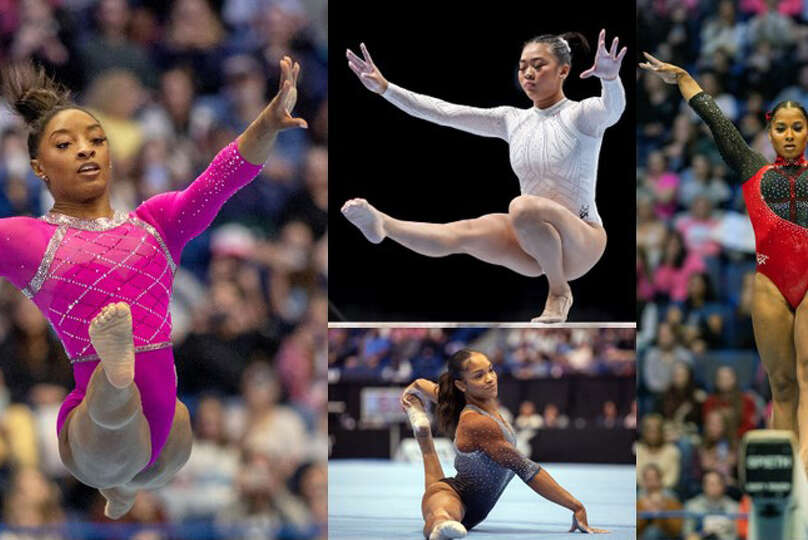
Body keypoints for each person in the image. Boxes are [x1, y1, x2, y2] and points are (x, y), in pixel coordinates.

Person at [0, 57, 306, 518]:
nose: (85, 150)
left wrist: (267, 122)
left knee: (162, 446)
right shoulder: (28, 241)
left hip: (164, 439)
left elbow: (221, 178)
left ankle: (123, 485)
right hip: (94, 429)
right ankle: (114, 376)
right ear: (39, 166)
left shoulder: (157, 223)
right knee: (117, 414)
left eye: (96, 140)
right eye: (65, 144)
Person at [342, 30, 627, 322]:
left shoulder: (582, 116)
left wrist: (610, 79)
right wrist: (386, 88)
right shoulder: (512, 120)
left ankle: (558, 291)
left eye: (538, 65)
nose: (528, 72)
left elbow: (612, 109)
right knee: (463, 233)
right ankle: (385, 225)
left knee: (521, 206)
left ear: (563, 70)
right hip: (533, 245)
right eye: (522, 66)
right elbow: (444, 112)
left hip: (582, 241)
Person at [640, 52, 808, 462]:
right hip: (769, 283)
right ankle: (785, 470)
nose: (788, 135)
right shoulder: (753, 170)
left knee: (807, 376)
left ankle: (805, 467)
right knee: (781, 384)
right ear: (770, 134)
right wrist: (684, 79)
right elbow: (718, 123)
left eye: (797, 128)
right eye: (781, 128)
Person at [400, 349, 607, 539]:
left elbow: (436, 391)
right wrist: (576, 506)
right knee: (442, 516)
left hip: (470, 509)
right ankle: (440, 523)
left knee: (431, 460)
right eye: (479, 376)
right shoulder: (477, 422)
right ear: (462, 385)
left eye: (490, 370)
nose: (490, 379)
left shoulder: (472, 402)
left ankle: (422, 431)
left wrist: (414, 387)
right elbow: (528, 470)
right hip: (453, 494)